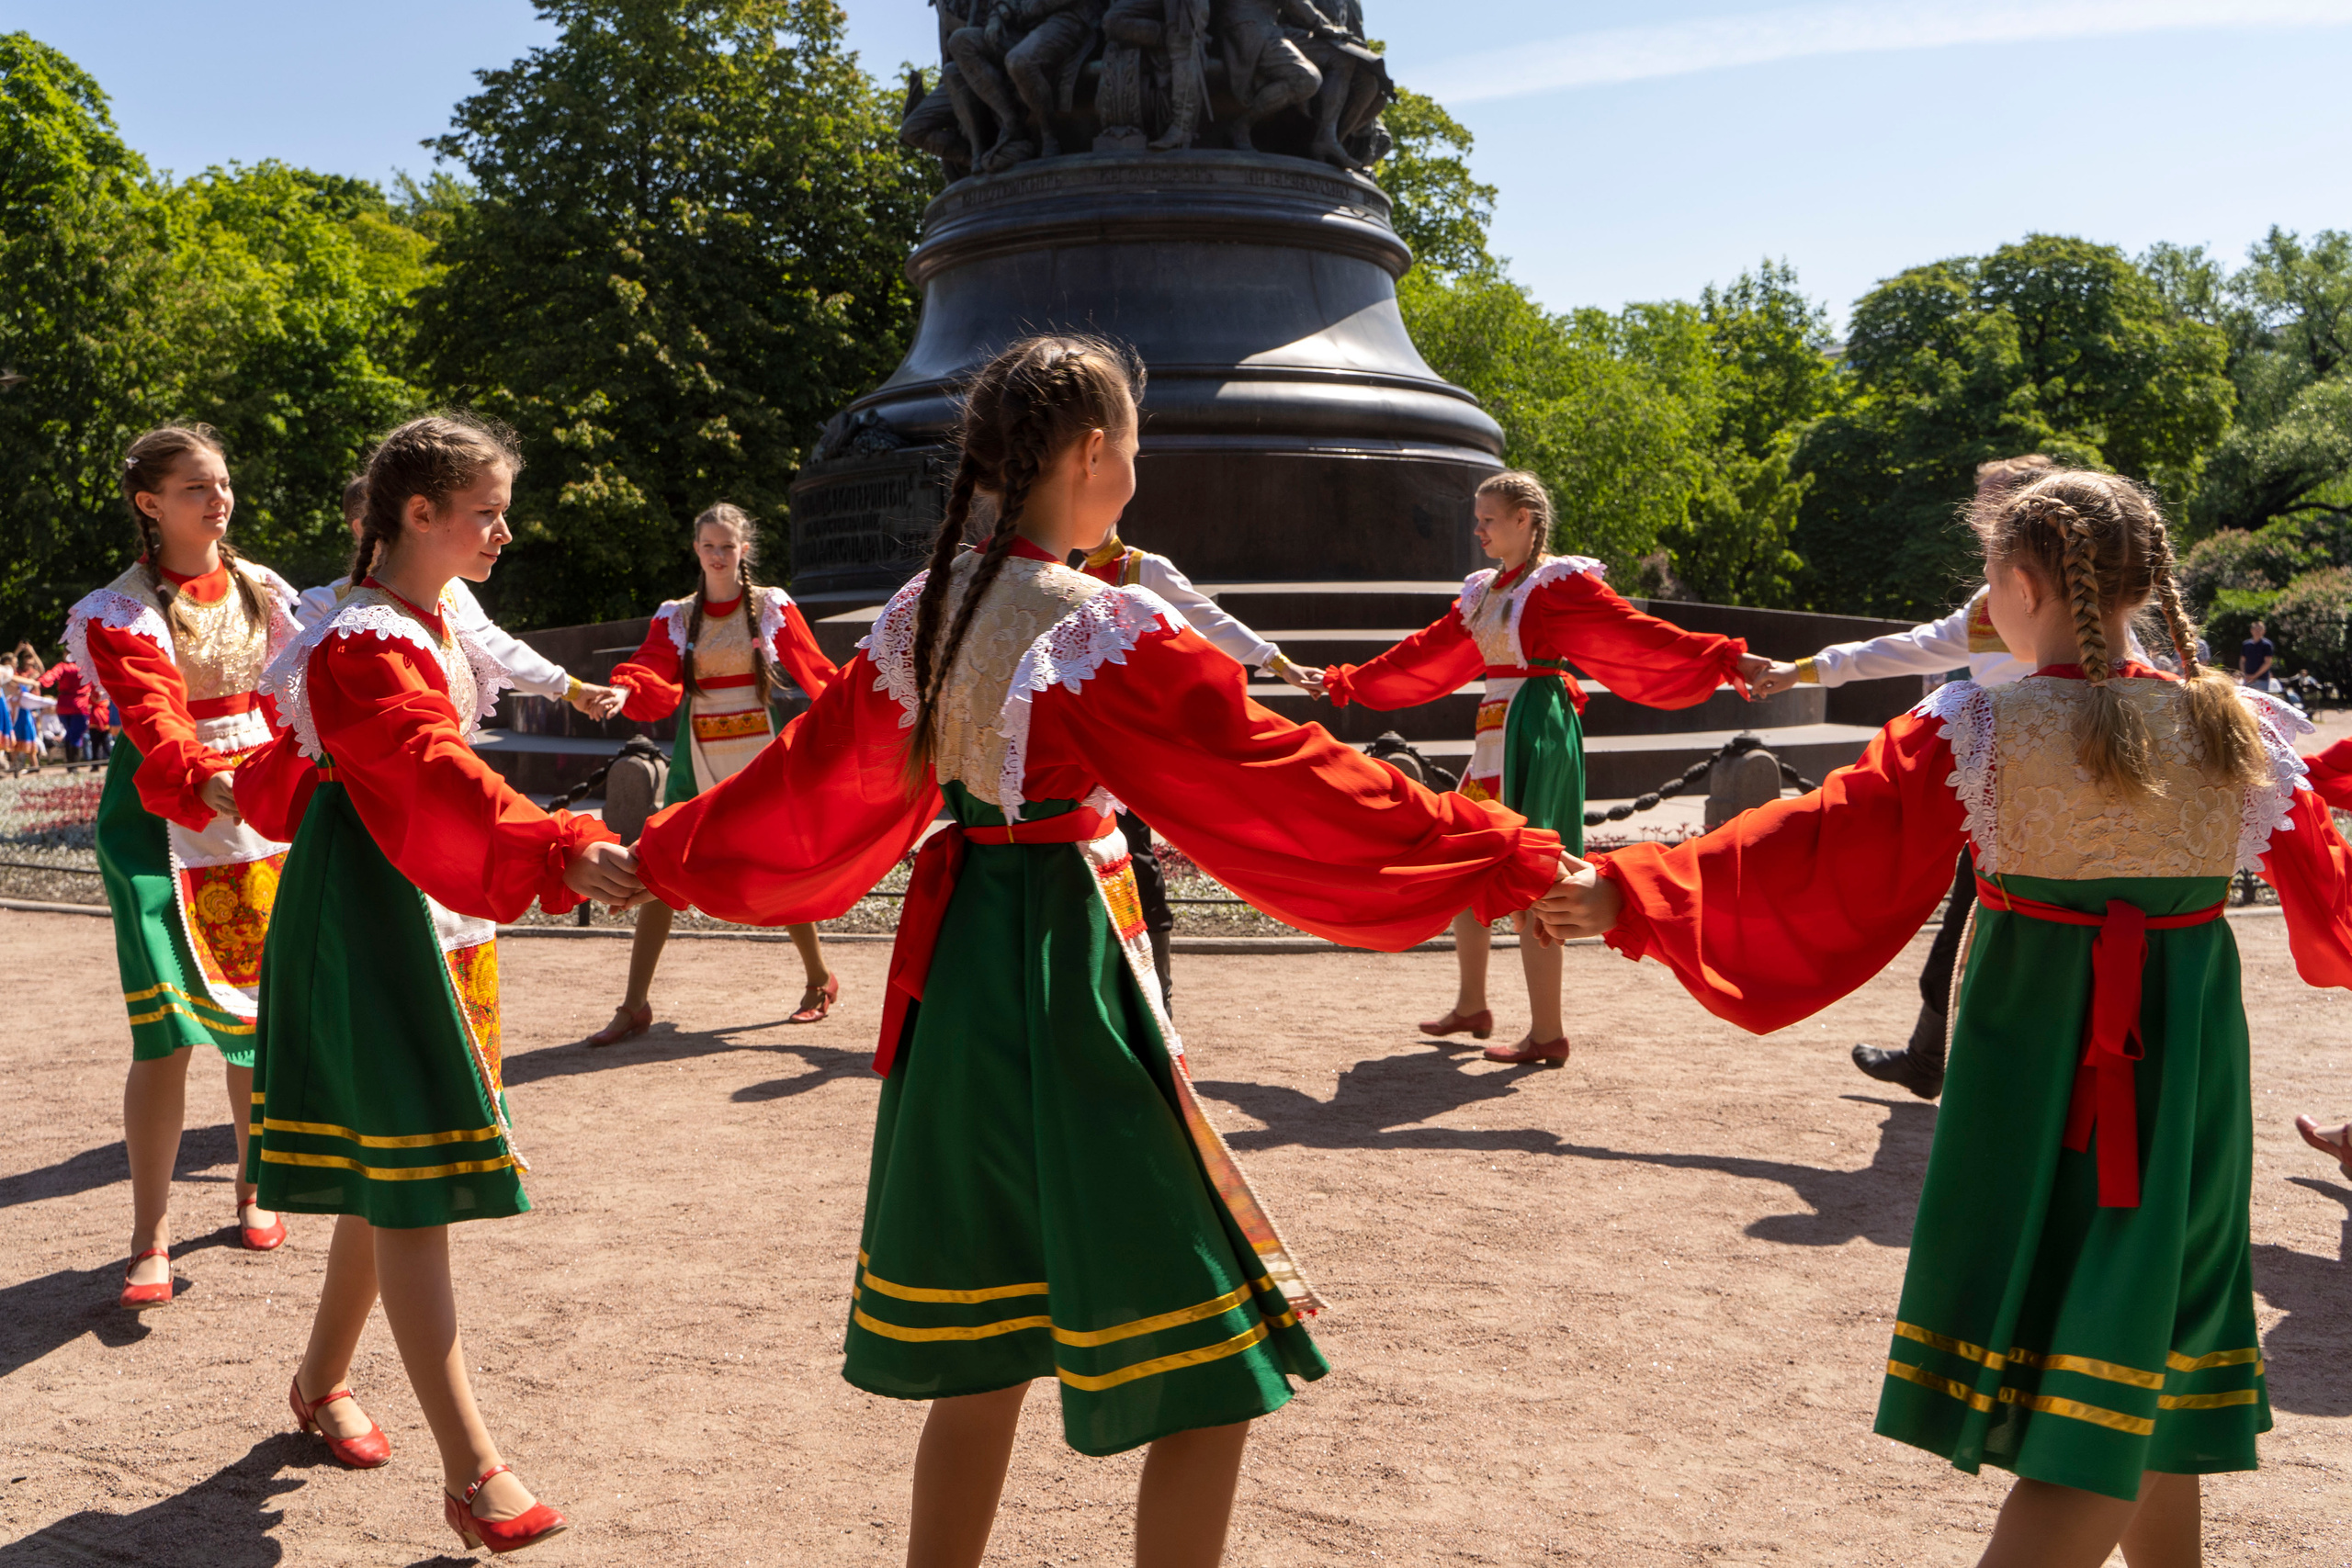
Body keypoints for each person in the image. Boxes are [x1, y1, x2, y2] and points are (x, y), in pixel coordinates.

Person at [632, 335, 1566, 1568]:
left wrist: (652, 852)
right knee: (1214, 1359)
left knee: (982, 1355)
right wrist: (1507, 850)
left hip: (958, 975)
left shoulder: (925, 607)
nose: (1135, 469)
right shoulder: (1089, 626)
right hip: (1060, 970)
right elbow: (1284, 770)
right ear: (1088, 454)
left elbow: (804, 784)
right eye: (1132, 445)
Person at [1536, 468, 2352, 1567]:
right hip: (2190, 1084)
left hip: (2036, 1074)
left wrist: (1631, 889)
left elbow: (1817, 840)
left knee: (2092, 1391)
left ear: (2019, 584)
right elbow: (2335, 896)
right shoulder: (2236, 727)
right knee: (2146, 1337)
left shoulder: (1981, 726)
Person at [237, 413, 639, 1549]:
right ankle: (473, 1471)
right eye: (485, 513)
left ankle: (320, 1380)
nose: (504, 532)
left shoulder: (427, 615)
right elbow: (427, 766)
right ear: (418, 514)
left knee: (397, 1162)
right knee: (413, 1175)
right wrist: (559, 841)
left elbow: (434, 769)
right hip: (373, 907)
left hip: (421, 896)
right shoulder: (362, 641)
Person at [1313, 469, 1767, 1066]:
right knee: (1465, 856)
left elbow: (1634, 632)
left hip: (1535, 728)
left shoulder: (1555, 583)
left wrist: (1724, 658)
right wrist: (1348, 680)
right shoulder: (1485, 589)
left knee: (1537, 872)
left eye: (1488, 519)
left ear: (1523, 519)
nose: (1478, 530)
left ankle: (1547, 1032)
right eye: (1477, 519)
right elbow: (1427, 651)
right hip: (1496, 726)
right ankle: (1472, 1004)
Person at [1749, 455, 2092, 1099]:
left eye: (1992, 502)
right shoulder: (1989, 605)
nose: (1978, 516)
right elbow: (1909, 646)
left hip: (2060, 808)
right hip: (2004, 801)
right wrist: (1805, 669)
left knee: (2018, 939)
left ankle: (1970, 1068)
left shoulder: (2076, 599)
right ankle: (1936, 1057)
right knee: (1974, 928)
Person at [61, 424, 300, 1311]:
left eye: (222, 482)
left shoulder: (265, 588)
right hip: (161, 819)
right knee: (163, 1031)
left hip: (258, 814)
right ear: (149, 502)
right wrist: (207, 778)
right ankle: (150, 1232)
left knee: (256, 1014)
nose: (218, 497)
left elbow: (293, 694)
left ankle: (253, 1181)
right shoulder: (118, 610)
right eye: (196, 486)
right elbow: (155, 714)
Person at [596, 502, 842, 1043]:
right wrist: (624, 691)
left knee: (778, 860)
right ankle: (634, 1005)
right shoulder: (677, 615)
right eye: (708, 545)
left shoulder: (771, 606)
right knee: (662, 861)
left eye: (727, 546)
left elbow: (816, 671)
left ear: (743, 550)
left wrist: (866, 711)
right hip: (698, 750)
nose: (717, 555)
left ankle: (819, 979)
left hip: (758, 751)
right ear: (696, 549)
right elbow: (651, 664)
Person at [1076, 530, 1318, 1009]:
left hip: (1136, 742)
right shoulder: (1073, 575)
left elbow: (1208, 618)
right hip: (1089, 742)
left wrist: (1280, 664)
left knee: (1136, 858)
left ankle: (1158, 999)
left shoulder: (1145, 568)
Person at [299, 475, 625, 722]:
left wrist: (572, 689)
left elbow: (496, 647)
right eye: (485, 512)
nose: (505, 534)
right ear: (362, 528)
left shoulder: (450, 591)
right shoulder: (322, 604)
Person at [2240, 619, 2277, 692]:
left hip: (2261, 680)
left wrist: (2254, 676)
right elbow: (2242, 661)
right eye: (2255, 629)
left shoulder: (2267, 645)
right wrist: (2245, 675)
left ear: (2264, 631)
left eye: (2260, 630)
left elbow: (2268, 663)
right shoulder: (2246, 644)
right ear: (2251, 631)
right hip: (2247, 680)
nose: (2257, 632)